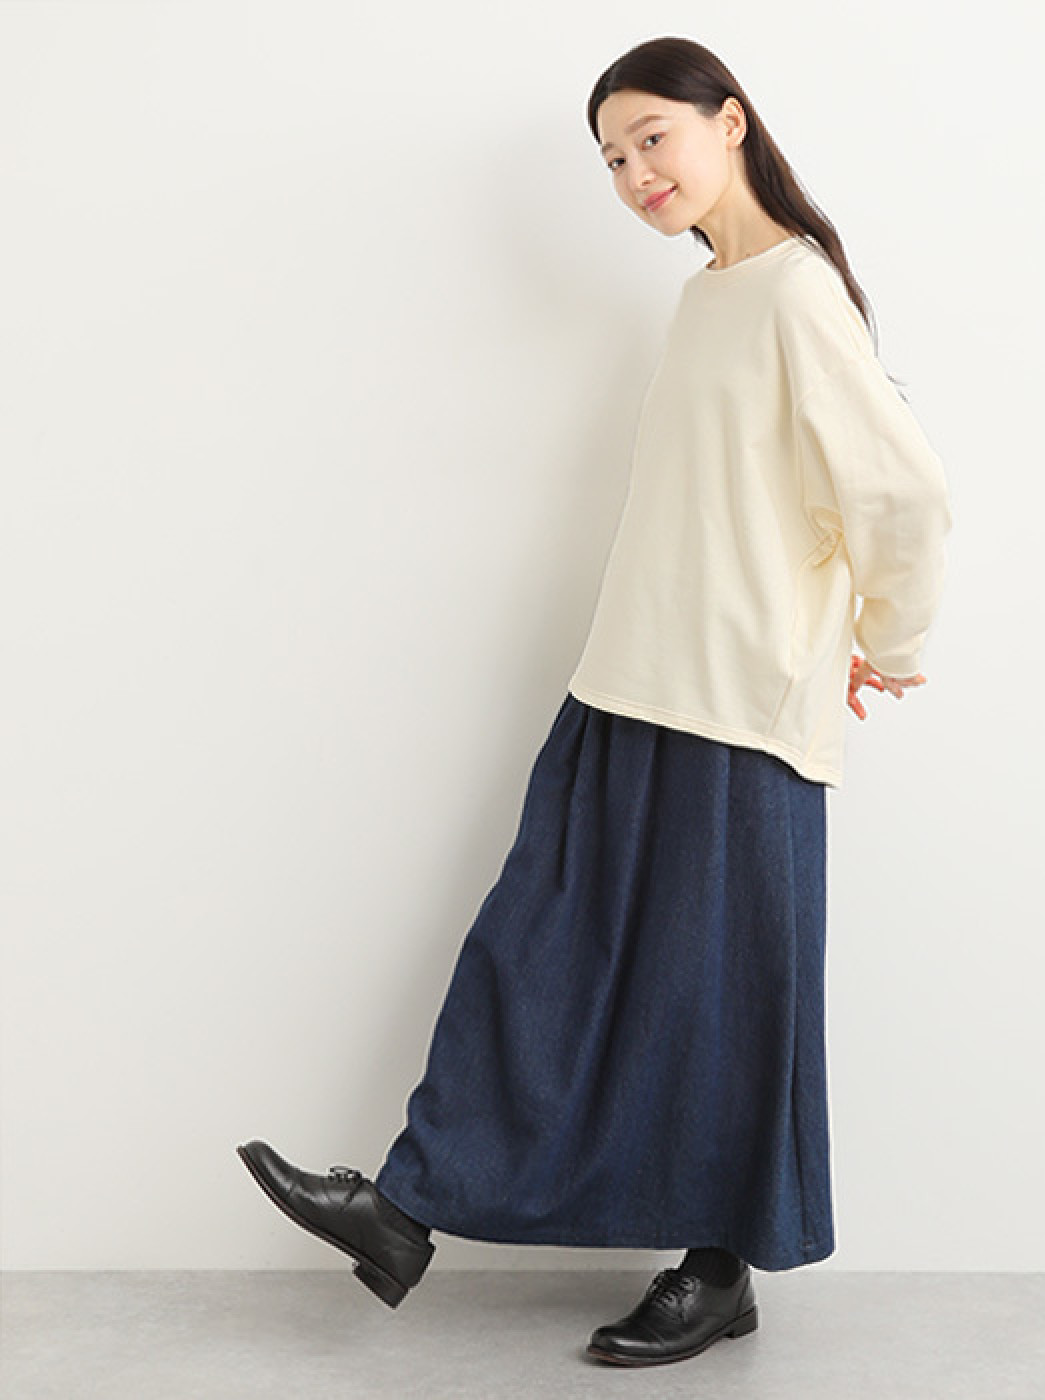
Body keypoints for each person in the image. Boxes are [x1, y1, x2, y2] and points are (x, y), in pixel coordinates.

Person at [237, 34, 953, 1370]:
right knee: (538, 942)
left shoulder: (797, 294)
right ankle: (404, 1210)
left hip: (737, 705)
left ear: (730, 121)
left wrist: (887, 640)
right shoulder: (709, 299)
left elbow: (903, 494)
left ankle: (718, 1267)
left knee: (719, 993)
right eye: (612, 160)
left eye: (651, 140)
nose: (633, 175)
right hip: (630, 677)